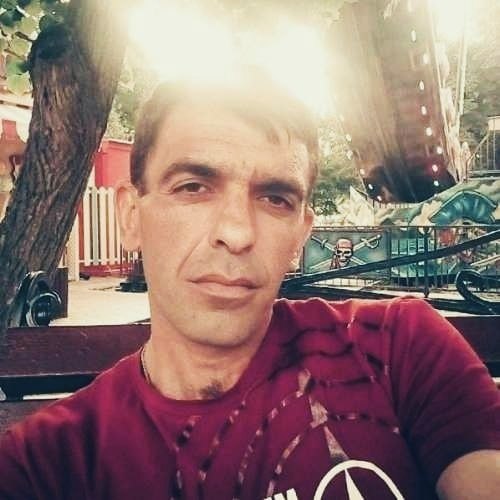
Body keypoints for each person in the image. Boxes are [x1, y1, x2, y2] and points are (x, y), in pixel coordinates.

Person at [1, 71, 499, 500]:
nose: (237, 233)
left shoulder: (397, 346)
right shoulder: (46, 463)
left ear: (300, 234)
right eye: (193, 187)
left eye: (275, 198)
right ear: (131, 215)